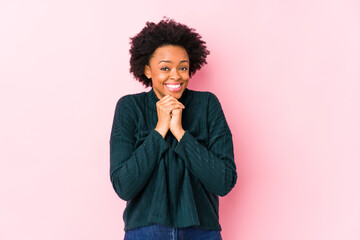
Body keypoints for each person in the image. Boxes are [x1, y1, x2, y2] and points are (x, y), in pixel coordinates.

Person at [110, 18, 237, 240]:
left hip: (202, 232)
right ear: (148, 70)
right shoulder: (130, 107)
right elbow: (124, 186)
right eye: (165, 68)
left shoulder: (207, 105)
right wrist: (160, 130)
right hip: (145, 232)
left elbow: (223, 182)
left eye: (183, 67)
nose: (176, 76)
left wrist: (180, 134)